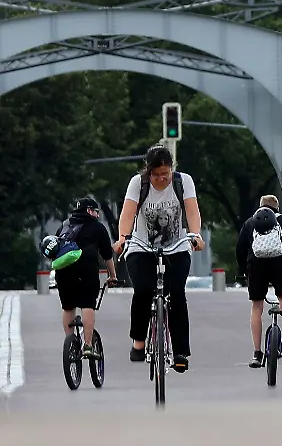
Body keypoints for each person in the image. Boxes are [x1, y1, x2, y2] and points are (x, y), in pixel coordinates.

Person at [113, 144, 206, 373]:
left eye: (165, 174)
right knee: (144, 290)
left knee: (176, 294)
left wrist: (195, 236)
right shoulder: (138, 183)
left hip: (176, 247)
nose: (161, 179)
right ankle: (139, 342)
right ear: (148, 171)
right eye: (155, 175)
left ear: (171, 169)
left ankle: (181, 352)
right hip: (141, 247)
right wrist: (123, 238)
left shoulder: (183, 182)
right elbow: (128, 213)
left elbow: (192, 211)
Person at [235, 195, 282, 368]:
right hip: (279, 265)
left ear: (260, 207)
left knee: (257, 306)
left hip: (256, 267)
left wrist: (243, 271)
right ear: (277, 208)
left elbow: (240, 249)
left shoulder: (250, 223)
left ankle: (256, 353)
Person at [47, 198, 119, 358]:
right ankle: (87, 345)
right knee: (87, 304)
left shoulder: (64, 225)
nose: (98, 214)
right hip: (86, 268)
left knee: (67, 306)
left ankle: (70, 342)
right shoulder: (97, 227)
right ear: (89, 211)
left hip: (63, 270)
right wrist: (112, 275)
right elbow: (107, 254)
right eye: (96, 211)